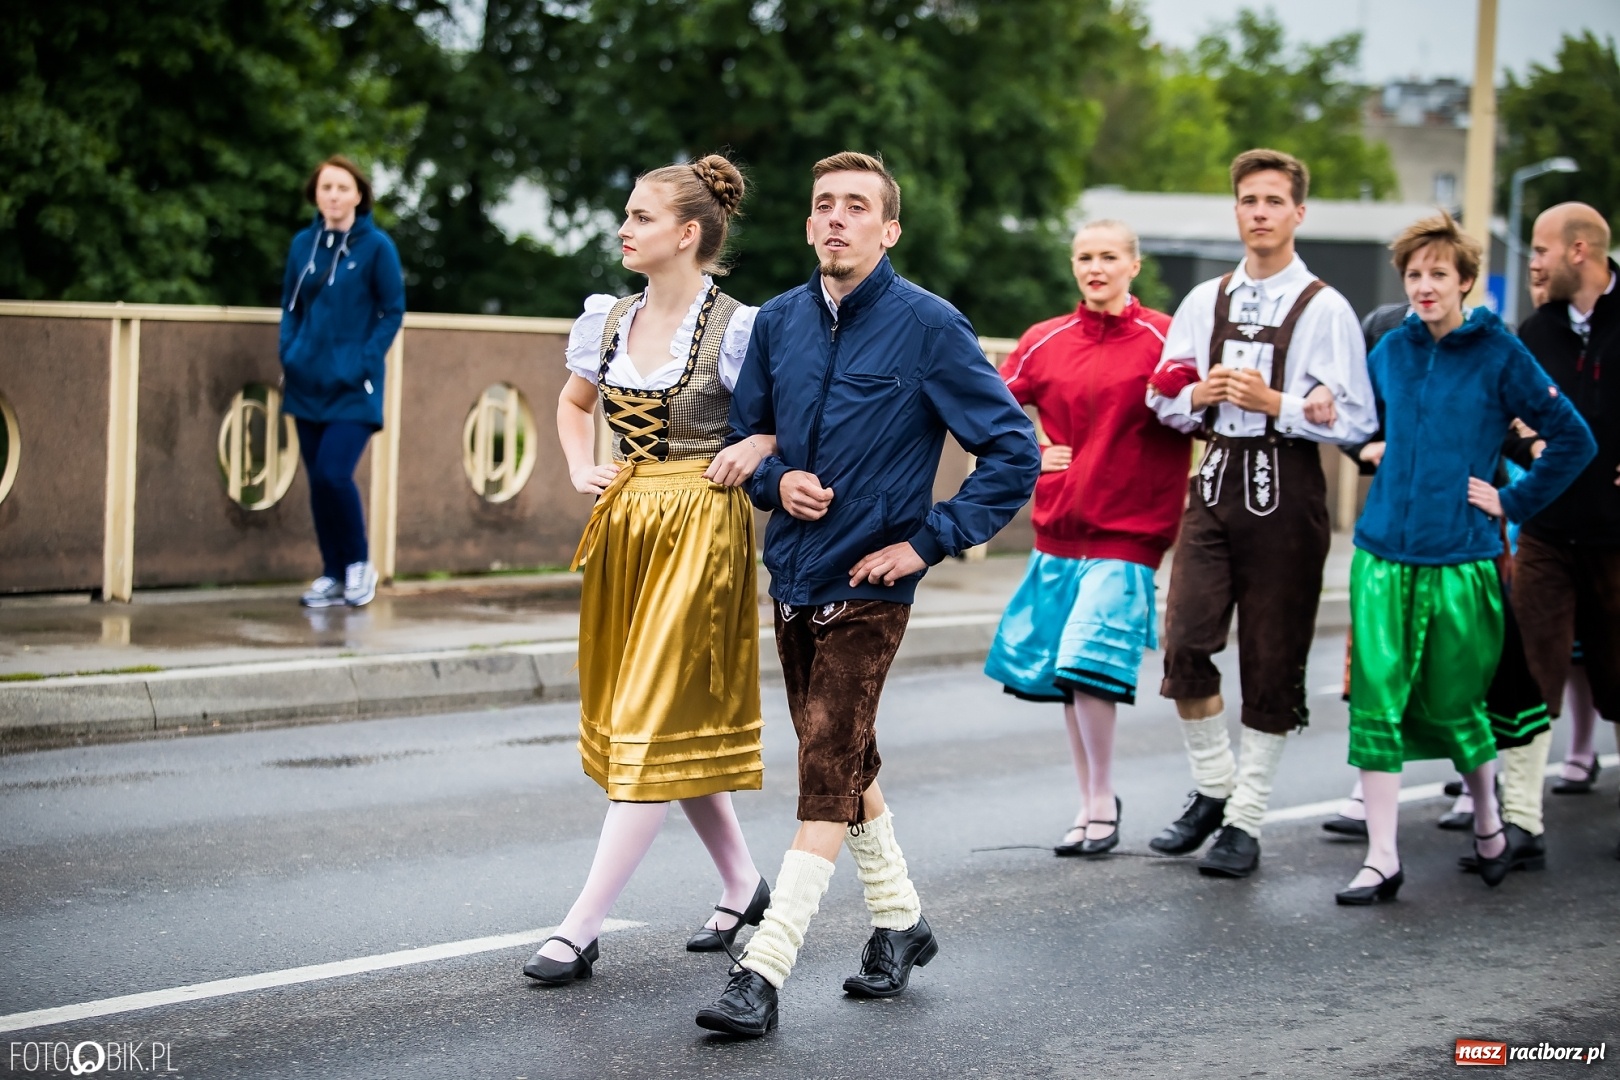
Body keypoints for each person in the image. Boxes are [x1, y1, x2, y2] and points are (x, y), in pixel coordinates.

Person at [695, 151, 1039, 1037]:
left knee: (821, 768)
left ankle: (763, 973)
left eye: (857, 207)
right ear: (809, 226)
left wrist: (930, 539)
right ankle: (901, 922)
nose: (837, 218)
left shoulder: (931, 327)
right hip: (795, 575)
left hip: (871, 584)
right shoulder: (776, 324)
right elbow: (751, 446)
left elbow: (1012, 452)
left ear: (888, 230)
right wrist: (780, 484)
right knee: (845, 754)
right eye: (823, 206)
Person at [522, 155, 776, 985]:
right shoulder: (607, 320)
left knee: (648, 715)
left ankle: (580, 925)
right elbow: (571, 404)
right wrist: (575, 466)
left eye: (640, 216)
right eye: (627, 215)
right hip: (629, 522)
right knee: (662, 722)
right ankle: (743, 883)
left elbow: (788, 422)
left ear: (687, 234)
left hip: (703, 523)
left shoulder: (739, 327)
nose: (624, 228)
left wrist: (753, 442)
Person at [1336, 211, 1593, 904]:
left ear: (1466, 281)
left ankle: (1487, 820)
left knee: (1457, 704)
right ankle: (1382, 858)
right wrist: (1356, 443)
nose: (1424, 287)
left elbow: (1574, 440)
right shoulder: (1387, 351)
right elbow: (1360, 426)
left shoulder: (1500, 353)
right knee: (1378, 701)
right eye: (1414, 275)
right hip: (1382, 553)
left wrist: (1515, 501)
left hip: (1463, 559)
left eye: (1438, 275)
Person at [1144, 148, 1378, 877]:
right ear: (1237, 209)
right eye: (1249, 200)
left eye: (1274, 201)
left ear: (1298, 213)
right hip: (1214, 479)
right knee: (1184, 640)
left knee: (1274, 657)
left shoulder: (1325, 306)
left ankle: (1246, 818)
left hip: (1288, 483)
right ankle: (1215, 785)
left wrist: (1276, 403)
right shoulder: (1204, 301)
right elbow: (1161, 392)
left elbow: (1357, 418)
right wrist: (1199, 397)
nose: (1260, 213)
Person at [983, 220, 1190, 857]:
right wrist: (1030, 451)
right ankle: (1094, 798)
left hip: (1131, 531)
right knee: (1070, 674)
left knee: (1087, 664)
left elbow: (1193, 407)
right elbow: (986, 405)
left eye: (1107, 257)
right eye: (1083, 257)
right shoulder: (1045, 340)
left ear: (1133, 264)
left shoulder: (1167, 334)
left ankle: (1100, 801)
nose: (1094, 267)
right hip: (1060, 527)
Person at [1514, 202, 1620, 864]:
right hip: (1548, 532)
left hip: (1619, 537)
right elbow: (1510, 414)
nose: (1532, 261)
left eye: (1540, 249)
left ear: (1579, 251)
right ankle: (1519, 822)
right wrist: (1527, 446)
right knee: (1528, 672)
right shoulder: (1536, 328)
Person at [279, 155, 405, 608]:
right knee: (317, 481)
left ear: (358, 195)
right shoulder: (302, 245)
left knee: (335, 474)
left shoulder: (376, 247)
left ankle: (358, 565)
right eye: (325, 187)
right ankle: (331, 573)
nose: (333, 195)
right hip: (305, 383)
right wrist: (289, 354)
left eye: (342, 187)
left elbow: (392, 311)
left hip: (354, 388)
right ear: (317, 194)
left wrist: (362, 362)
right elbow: (290, 309)